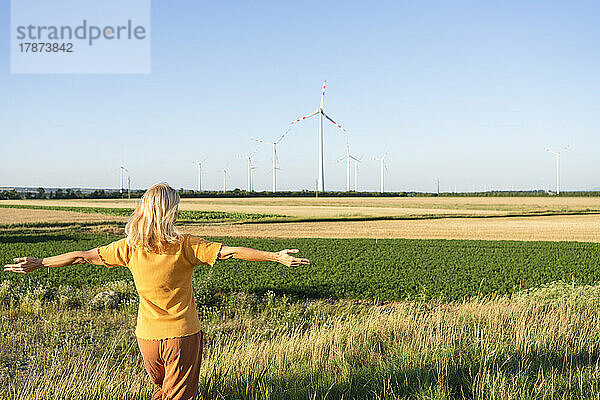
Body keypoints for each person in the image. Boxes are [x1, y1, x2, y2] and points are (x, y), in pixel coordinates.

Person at [3, 183, 310, 400]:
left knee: (162, 391)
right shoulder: (186, 245)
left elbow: (82, 255)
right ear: (170, 210)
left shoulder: (129, 247)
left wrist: (40, 262)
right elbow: (231, 252)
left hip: (146, 338)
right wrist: (275, 256)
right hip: (181, 335)